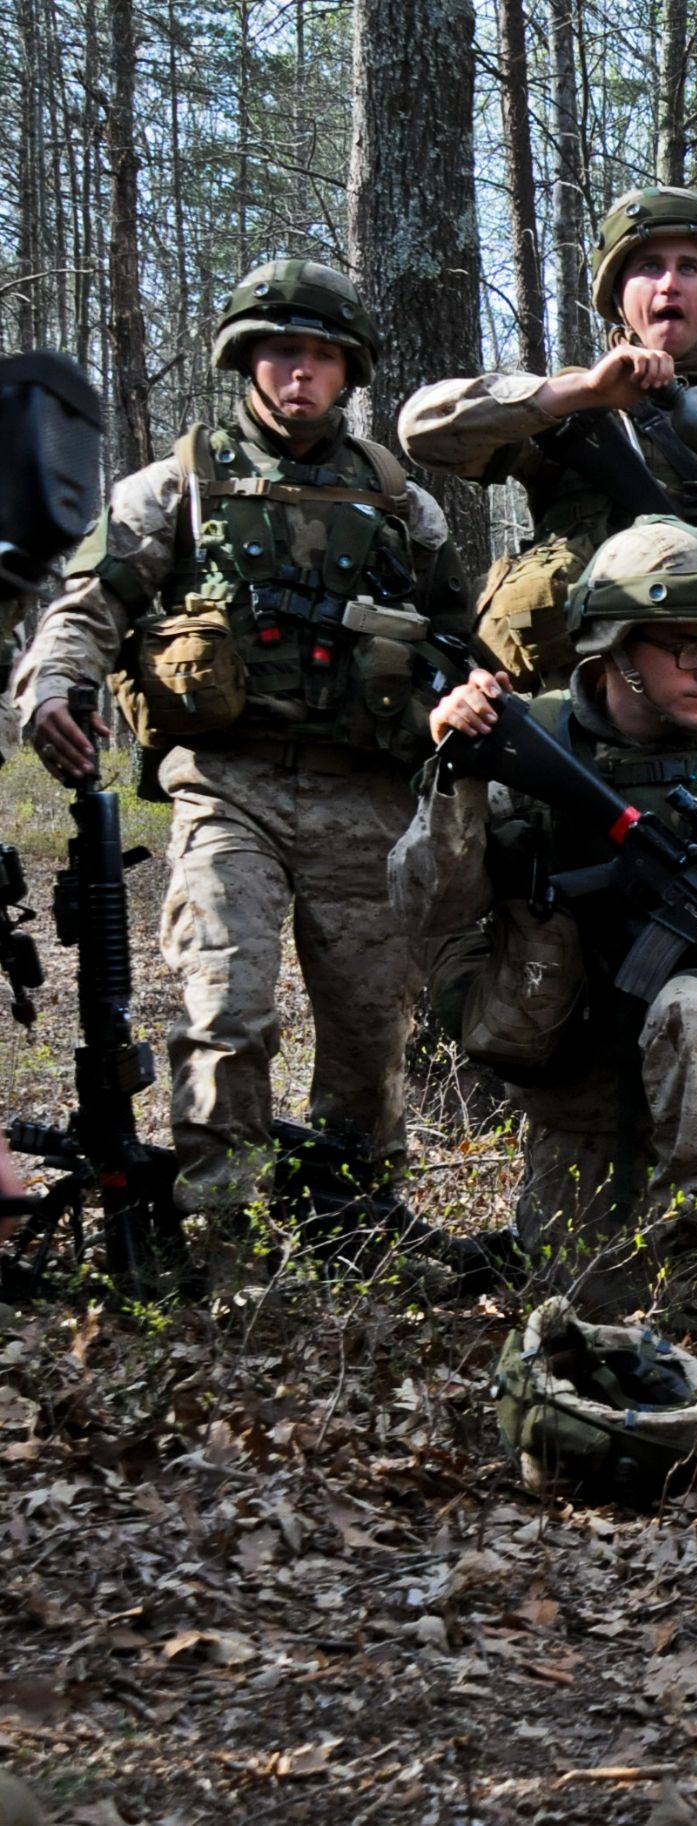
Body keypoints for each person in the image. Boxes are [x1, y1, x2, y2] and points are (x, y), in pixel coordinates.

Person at [14, 259, 465, 1227]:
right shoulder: (175, 485)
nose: (299, 373)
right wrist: (55, 682)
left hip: (364, 797)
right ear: (245, 362)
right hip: (228, 787)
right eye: (280, 353)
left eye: (320, 356)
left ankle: (350, 1230)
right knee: (225, 1006)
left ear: (348, 371)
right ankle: (219, 1231)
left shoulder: (400, 503)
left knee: (367, 1032)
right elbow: (88, 603)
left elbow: (465, 642)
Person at [391, 519, 697, 1314]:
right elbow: (425, 905)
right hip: (588, 1096)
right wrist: (456, 773)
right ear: (617, 650)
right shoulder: (527, 744)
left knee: (696, 1009)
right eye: (686, 648)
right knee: (589, 1301)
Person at [399, 184, 697, 687]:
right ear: (618, 293)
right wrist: (577, 392)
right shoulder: (570, 412)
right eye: (649, 267)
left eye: (689, 268)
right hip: (586, 721)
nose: (669, 284)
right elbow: (423, 432)